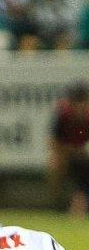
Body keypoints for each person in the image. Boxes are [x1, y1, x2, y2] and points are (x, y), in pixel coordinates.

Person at [47, 82, 89, 217]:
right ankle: (54, 201)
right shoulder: (64, 116)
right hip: (69, 153)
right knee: (55, 162)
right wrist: (71, 151)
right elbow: (54, 142)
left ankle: (79, 204)